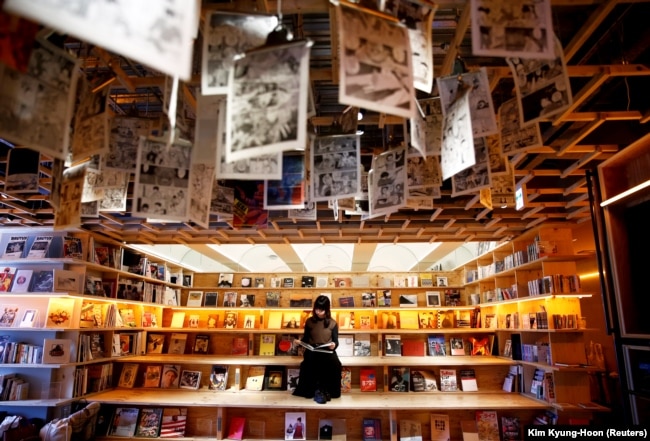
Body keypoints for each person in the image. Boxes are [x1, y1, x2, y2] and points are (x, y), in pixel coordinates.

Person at [292, 295, 342, 403]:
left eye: (322, 309)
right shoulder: (309, 321)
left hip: (327, 351)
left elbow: (336, 341)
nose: (319, 312)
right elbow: (306, 338)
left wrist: (334, 345)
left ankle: (330, 392)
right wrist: (299, 342)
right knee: (308, 363)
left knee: (336, 364)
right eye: (317, 309)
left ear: (327, 309)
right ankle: (310, 391)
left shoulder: (332, 323)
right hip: (312, 350)